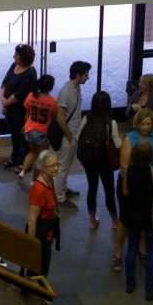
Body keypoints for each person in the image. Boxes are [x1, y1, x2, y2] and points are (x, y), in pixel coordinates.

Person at [112, 108, 153, 274]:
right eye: (143, 124)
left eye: (149, 124)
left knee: (145, 217)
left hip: (149, 182)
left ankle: (142, 250)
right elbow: (125, 164)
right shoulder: (130, 138)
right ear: (137, 123)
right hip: (129, 181)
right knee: (125, 218)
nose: (146, 128)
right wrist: (132, 183)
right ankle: (118, 253)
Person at [119, 140, 153, 301]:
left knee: (131, 249)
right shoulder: (152, 172)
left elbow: (124, 191)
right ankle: (149, 290)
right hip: (149, 217)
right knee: (151, 252)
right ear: (150, 157)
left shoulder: (129, 170)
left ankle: (130, 284)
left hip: (133, 216)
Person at [76, 91, 120, 231]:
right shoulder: (110, 122)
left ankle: (92, 220)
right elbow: (117, 144)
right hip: (104, 161)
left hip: (89, 160)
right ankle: (114, 221)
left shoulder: (87, 117)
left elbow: (78, 137)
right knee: (109, 191)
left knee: (92, 188)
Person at [54, 60, 90, 207]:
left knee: (66, 164)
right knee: (63, 166)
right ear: (78, 75)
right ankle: (60, 198)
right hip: (68, 135)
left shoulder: (76, 88)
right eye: (86, 75)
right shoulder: (66, 91)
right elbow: (60, 117)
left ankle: (62, 189)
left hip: (73, 133)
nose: (88, 78)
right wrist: (69, 135)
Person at [0, 43, 37, 173]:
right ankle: (15, 157)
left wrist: (5, 103)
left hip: (21, 110)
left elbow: (19, 94)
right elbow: (4, 82)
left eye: (16, 55)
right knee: (14, 134)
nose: (13, 56)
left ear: (22, 57)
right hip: (10, 108)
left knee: (22, 136)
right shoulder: (14, 65)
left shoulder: (31, 73)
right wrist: (2, 98)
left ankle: (25, 162)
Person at [26, 148, 60, 277]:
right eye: (52, 165)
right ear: (42, 167)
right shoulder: (39, 189)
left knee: (44, 268)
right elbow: (32, 219)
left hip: (48, 233)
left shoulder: (49, 179)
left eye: (57, 164)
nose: (56, 168)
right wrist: (32, 245)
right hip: (42, 237)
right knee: (39, 271)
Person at [19, 74, 58, 180]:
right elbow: (55, 116)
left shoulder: (31, 95)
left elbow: (27, 113)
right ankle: (34, 180)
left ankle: (23, 171)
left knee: (32, 152)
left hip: (29, 129)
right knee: (40, 157)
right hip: (43, 132)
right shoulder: (53, 101)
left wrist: (24, 125)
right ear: (51, 87)